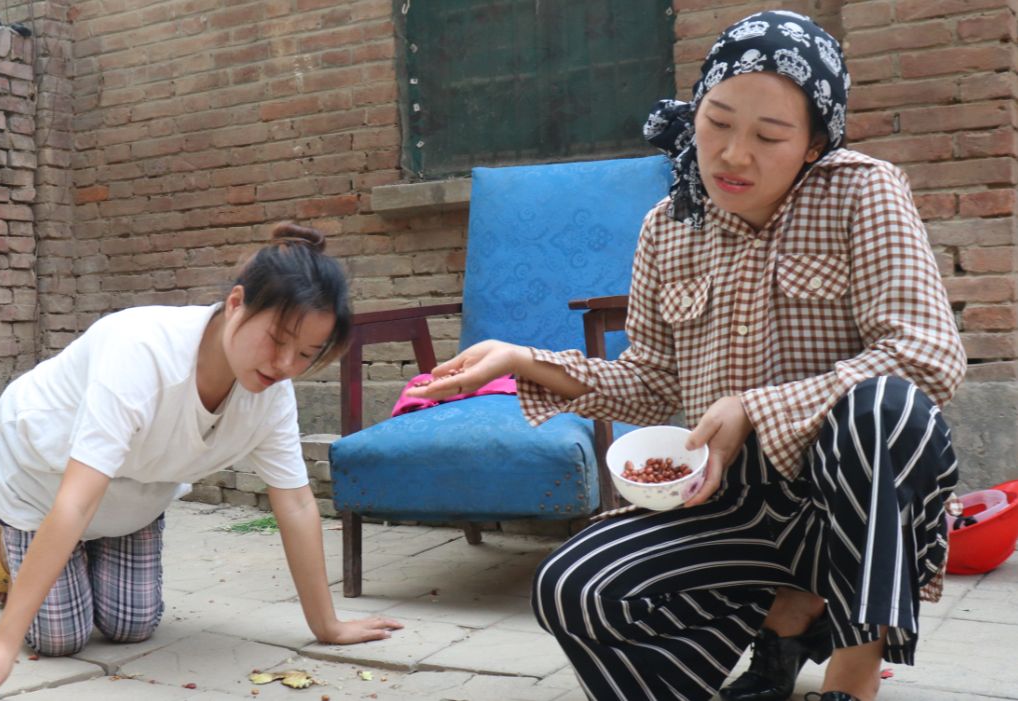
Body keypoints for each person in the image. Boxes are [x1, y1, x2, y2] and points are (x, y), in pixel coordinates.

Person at [407, 11, 964, 701]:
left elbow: (928, 351)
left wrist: (752, 407)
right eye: (717, 121)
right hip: (731, 500)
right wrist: (518, 358)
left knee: (884, 406)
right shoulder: (669, 226)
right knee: (572, 587)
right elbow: (648, 382)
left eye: (768, 135)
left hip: (845, 502)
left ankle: (852, 668)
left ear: (815, 143)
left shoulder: (862, 191)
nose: (732, 154)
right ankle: (781, 618)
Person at [0, 223, 403, 701]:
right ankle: (13, 549)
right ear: (236, 305)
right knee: (60, 639)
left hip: (136, 490)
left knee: (132, 625)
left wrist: (327, 626)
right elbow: (76, 501)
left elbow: (295, 504)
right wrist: (2, 646)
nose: (284, 366)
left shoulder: (272, 395)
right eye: (277, 340)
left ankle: (78, 556)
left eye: (306, 354)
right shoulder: (140, 351)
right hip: (46, 477)